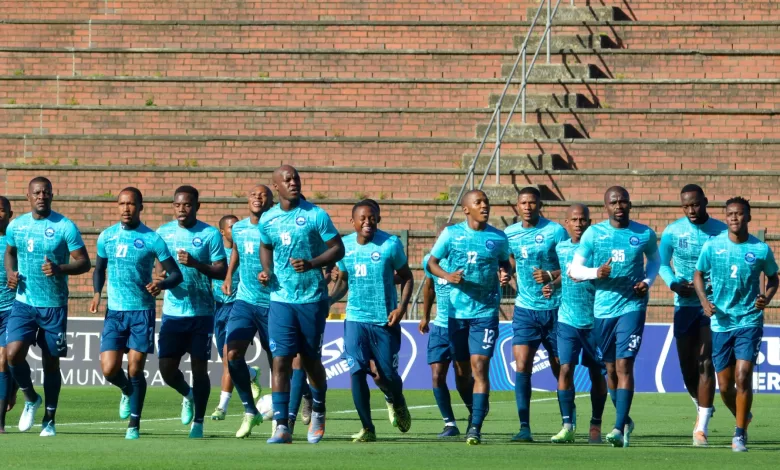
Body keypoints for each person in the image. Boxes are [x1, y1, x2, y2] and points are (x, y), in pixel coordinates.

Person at [259, 165, 345, 444]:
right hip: (280, 298)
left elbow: (337, 249)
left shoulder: (315, 215)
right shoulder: (268, 219)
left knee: (309, 361)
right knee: (281, 360)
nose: (292, 182)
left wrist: (311, 264)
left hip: (311, 299)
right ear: (276, 187)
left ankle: (318, 408)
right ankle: (282, 425)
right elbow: (266, 246)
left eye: (295, 178)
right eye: (286, 179)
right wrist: (266, 270)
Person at [569, 186, 660, 448]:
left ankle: (618, 428)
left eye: (623, 201)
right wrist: (596, 272)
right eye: (613, 202)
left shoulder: (643, 233)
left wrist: (647, 281)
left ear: (630, 205)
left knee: (624, 366)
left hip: (632, 306)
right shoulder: (594, 234)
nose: (619, 206)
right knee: (609, 369)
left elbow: (655, 261)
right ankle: (625, 418)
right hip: (603, 310)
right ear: (606, 207)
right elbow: (574, 270)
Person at [90, 187, 183, 440]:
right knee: (109, 369)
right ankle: (125, 390)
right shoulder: (106, 236)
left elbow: (176, 274)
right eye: (121, 204)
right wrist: (97, 293)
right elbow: (99, 269)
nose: (126, 208)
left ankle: (134, 423)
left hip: (141, 312)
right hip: (115, 313)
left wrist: (160, 284)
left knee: (135, 368)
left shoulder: (152, 239)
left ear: (140, 207)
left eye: (131, 204)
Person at [4, 176, 91, 437]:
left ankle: (49, 419)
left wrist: (59, 268)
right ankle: (31, 397)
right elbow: (10, 252)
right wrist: (11, 272)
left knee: (51, 363)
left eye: (46, 192)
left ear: (52, 195)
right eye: (37, 192)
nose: (42, 196)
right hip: (24, 303)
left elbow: (84, 263)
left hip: (54, 306)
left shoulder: (65, 227)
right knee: (12, 355)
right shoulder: (17, 226)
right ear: (27, 197)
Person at [426, 189, 511, 445]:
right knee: (462, 373)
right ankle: (474, 409)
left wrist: (505, 273)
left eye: (486, 202)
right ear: (466, 209)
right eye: (478, 202)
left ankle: (475, 427)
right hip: (456, 314)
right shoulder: (451, 234)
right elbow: (431, 263)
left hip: (484, 312)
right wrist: (447, 276)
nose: (484, 206)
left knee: (480, 367)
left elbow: (504, 262)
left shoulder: (498, 238)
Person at [694, 196, 778, 453]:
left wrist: (767, 297)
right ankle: (744, 415)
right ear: (726, 216)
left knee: (743, 376)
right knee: (724, 386)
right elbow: (698, 273)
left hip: (749, 321)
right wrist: (704, 301)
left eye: (739, 214)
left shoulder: (761, 249)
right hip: (721, 323)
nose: (734, 218)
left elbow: (774, 278)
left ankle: (739, 434)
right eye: (730, 213)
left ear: (748, 217)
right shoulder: (712, 246)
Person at [329, 200, 414, 442]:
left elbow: (407, 277)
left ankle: (396, 400)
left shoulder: (391, 244)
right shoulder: (344, 247)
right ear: (352, 222)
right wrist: (329, 299)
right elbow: (343, 280)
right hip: (355, 318)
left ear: (378, 219)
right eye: (363, 218)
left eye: (372, 217)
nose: (368, 222)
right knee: (356, 370)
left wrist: (401, 308)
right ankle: (368, 428)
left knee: (385, 375)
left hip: (384, 320)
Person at [155, 185, 227, 439]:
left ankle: (199, 423)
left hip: (201, 312)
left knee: (199, 369)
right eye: (177, 205)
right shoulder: (163, 233)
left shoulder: (209, 235)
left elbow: (221, 270)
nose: (181, 209)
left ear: (197, 206)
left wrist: (195, 263)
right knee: (166, 369)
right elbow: (160, 267)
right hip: (173, 312)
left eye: (187, 204)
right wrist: (160, 278)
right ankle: (187, 395)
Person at [658, 184, 726, 446]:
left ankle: (702, 427)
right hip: (684, 304)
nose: (691, 210)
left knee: (705, 362)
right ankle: (702, 404)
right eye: (686, 206)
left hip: (712, 305)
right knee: (687, 367)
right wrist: (674, 283)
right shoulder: (673, 231)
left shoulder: (721, 231)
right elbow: (663, 263)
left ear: (705, 202)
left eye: (695, 205)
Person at [504, 186, 567, 442]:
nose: (528, 207)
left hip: (556, 310)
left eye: (532, 202)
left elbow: (571, 268)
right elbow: (506, 260)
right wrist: (505, 272)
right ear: (517, 206)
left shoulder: (555, 231)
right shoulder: (509, 234)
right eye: (523, 202)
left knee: (560, 369)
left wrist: (553, 280)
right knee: (522, 366)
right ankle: (524, 427)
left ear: (540, 205)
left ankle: (567, 424)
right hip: (525, 310)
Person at [548, 204, 608, 444]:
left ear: (589, 222)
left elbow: (602, 273)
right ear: (566, 223)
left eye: (583, 220)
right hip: (567, 319)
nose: (579, 224)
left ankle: (596, 423)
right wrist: (552, 284)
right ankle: (567, 425)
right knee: (565, 368)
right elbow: (565, 273)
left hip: (595, 320)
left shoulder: (597, 248)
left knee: (597, 373)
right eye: (574, 220)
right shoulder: (561, 248)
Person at [223, 186, 274, 438]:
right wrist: (230, 275)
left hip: (273, 302)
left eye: (263, 194)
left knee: (278, 360)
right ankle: (249, 410)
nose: (258, 197)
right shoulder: (240, 228)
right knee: (232, 353)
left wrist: (271, 274)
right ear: (247, 200)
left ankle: (285, 412)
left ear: (271, 201)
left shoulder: (276, 226)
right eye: (254, 194)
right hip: (244, 300)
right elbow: (236, 251)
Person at [419, 223, 475, 438]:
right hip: (440, 326)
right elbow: (429, 288)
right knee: (437, 375)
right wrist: (425, 316)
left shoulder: (464, 261)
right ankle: (450, 424)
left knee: (462, 375)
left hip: (461, 325)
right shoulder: (430, 262)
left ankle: (474, 413)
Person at [211, 214, 262, 422]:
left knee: (227, 356)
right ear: (222, 232)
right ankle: (249, 373)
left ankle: (222, 407)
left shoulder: (246, 250)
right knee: (227, 358)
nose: (235, 230)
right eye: (230, 227)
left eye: (236, 226)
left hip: (238, 306)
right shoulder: (216, 253)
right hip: (218, 307)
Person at [0, 197, 17, 433]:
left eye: (1, 210)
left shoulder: (16, 241)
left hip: (11, 309)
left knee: (2, 361)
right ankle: (14, 384)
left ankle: (0, 422)